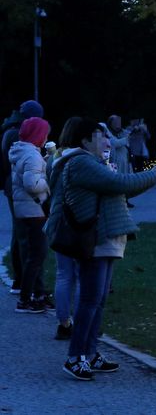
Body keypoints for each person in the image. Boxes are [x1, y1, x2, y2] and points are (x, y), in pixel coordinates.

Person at [43, 118, 156, 380]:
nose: (108, 141)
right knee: (89, 300)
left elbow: (120, 191)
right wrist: (154, 173)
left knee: (99, 300)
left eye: (108, 136)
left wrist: (152, 177)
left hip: (107, 238)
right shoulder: (80, 162)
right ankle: (75, 356)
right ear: (85, 140)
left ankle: (91, 352)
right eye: (101, 136)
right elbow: (120, 184)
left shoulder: (94, 163)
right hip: (94, 239)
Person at [8, 117, 51, 313]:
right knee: (37, 255)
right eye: (45, 134)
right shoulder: (32, 155)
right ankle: (25, 300)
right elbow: (32, 184)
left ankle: (38, 294)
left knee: (34, 254)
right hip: (34, 210)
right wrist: (47, 180)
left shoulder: (21, 151)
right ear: (38, 135)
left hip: (25, 209)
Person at [1, 100, 44, 294]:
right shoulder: (14, 134)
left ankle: (21, 280)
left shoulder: (11, 130)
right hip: (18, 188)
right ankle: (32, 286)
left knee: (20, 235)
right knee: (26, 237)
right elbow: (23, 165)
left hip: (13, 186)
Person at [47, 117, 84, 339]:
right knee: (80, 275)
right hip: (76, 221)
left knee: (63, 274)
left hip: (58, 219)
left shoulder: (56, 157)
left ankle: (64, 323)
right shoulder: (80, 159)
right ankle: (80, 321)